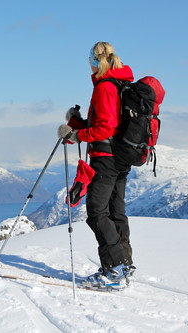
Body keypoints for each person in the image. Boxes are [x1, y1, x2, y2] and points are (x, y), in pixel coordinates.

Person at [58, 41, 136, 288]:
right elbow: (109, 125)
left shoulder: (104, 87)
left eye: (90, 61)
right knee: (115, 212)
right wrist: (78, 123)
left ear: (94, 61)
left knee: (97, 213)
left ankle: (114, 271)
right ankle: (124, 264)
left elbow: (104, 129)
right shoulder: (121, 83)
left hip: (105, 158)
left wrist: (76, 136)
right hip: (122, 156)